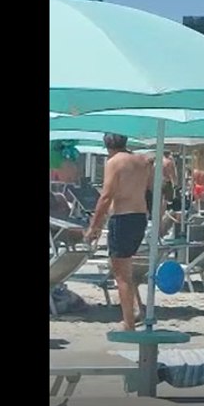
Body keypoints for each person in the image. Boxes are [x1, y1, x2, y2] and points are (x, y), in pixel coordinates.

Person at [84, 132, 151, 331]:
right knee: (128, 269)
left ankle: (128, 323)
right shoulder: (142, 161)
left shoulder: (114, 162)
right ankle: (138, 311)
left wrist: (94, 227)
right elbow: (151, 187)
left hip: (122, 217)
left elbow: (106, 196)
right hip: (140, 216)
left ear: (107, 146)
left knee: (121, 274)